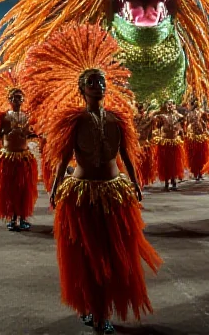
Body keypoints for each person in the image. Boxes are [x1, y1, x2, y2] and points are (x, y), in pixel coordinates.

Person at [24, 23, 161, 335]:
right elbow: (62, 159)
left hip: (115, 192)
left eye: (101, 81)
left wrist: (137, 184)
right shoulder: (73, 121)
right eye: (92, 82)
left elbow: (126, 156)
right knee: (87, 251)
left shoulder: (117, 120)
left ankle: (104, 311)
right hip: (82, 193)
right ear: (81, 89)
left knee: (114, 253)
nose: (99, 85)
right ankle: (90, 306)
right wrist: (57, 187)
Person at [0, 80, 39, 231]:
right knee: (9, 189)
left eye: (19, 97)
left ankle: (22, 218)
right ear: (9, 100)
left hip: (23, 158)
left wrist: (28, 134)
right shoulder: (3, 116)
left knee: (24, 189)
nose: (17, 100)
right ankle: (12, 218)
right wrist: (6, 133)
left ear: (23, 100)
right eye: (14, 97)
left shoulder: (27, 116)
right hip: (8, 157)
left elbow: (35, 132)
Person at [153, 100, 185, 191]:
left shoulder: (176, 116)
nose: (170, 106)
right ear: (165, 106)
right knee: (166, 163)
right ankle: (167, 182)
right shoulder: (162, 116)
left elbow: (183, 118)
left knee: (175, 162)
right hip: (165, 143)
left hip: (174, 142)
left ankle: (174, 181)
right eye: (168, 104)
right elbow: (154, 119)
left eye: (172, 104)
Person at [182, 96, 209, 181]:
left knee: (201, 156)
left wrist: (206, 129)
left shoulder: (201, 112)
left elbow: (205, 122)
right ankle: (196, 173)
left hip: (200, 136)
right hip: (192, 137)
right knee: (194, 156)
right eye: (193, 103)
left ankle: (200, 172)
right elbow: (187, 124)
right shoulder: (189, 114)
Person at [134, 102, 157, 187]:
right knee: (139, 165)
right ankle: (139, 181)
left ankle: (141, 181)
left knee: (145, 165)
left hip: (144, 144)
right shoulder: (135, 118)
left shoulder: (146, 118)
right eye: (140, 109)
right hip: (138, 145)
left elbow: (149, 131)